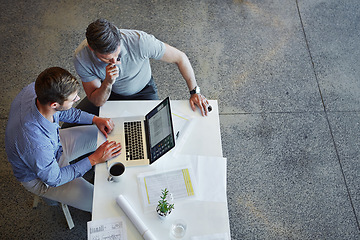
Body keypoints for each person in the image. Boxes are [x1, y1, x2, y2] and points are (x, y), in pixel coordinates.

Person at [5, 67, 122, 212]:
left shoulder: (37, 90)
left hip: (53, 143)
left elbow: (65, 112)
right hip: (42, 177)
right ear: (54, 104)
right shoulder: (35, 144)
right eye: (74, 99)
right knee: (102, 203)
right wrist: (94, 159)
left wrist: (95, 119)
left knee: (107, 134)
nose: (78, 99)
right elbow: (54, 179)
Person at [73, 18, 210, 117]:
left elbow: (180, 58)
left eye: (118, 54)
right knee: (71, 125)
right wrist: (108, 82)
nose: (115, 61)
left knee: (151, 134)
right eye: (107, 59)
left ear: (119, 38)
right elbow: (98, 101)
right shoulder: (82, 58)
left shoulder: (140, 42)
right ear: (91, 49)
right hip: (109, 92)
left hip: (143, 91)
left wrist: (195, 92)